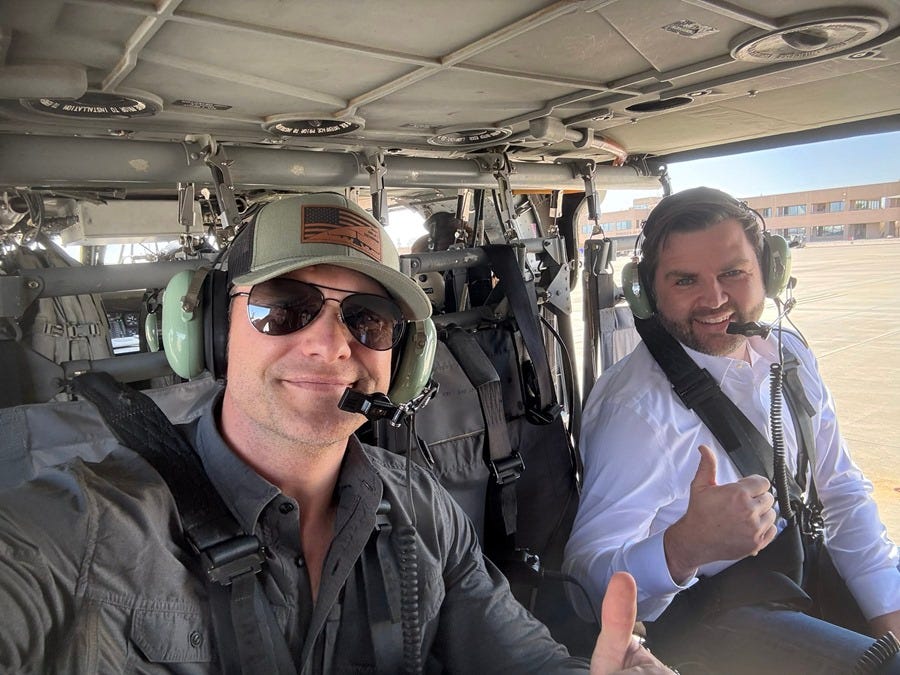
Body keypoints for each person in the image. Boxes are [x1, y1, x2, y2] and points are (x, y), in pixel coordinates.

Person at [0, 193, 673, 674]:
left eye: (368, 319)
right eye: (283, 308)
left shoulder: (421, 509)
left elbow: (513, 654)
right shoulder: (82, 526)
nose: (329, 343)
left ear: (401, 360)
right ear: (208, 332)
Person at [564, 187, 900, 674]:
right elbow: (584, 583)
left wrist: (889, 619)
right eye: (685, 280)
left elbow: (842, 492)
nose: (714, 298)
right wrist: (683, 548)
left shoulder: (788, 356)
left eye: (733, 273)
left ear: (770, 271)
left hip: (793, 572)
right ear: (645, 292)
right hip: (706, 616)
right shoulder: (638, 410)